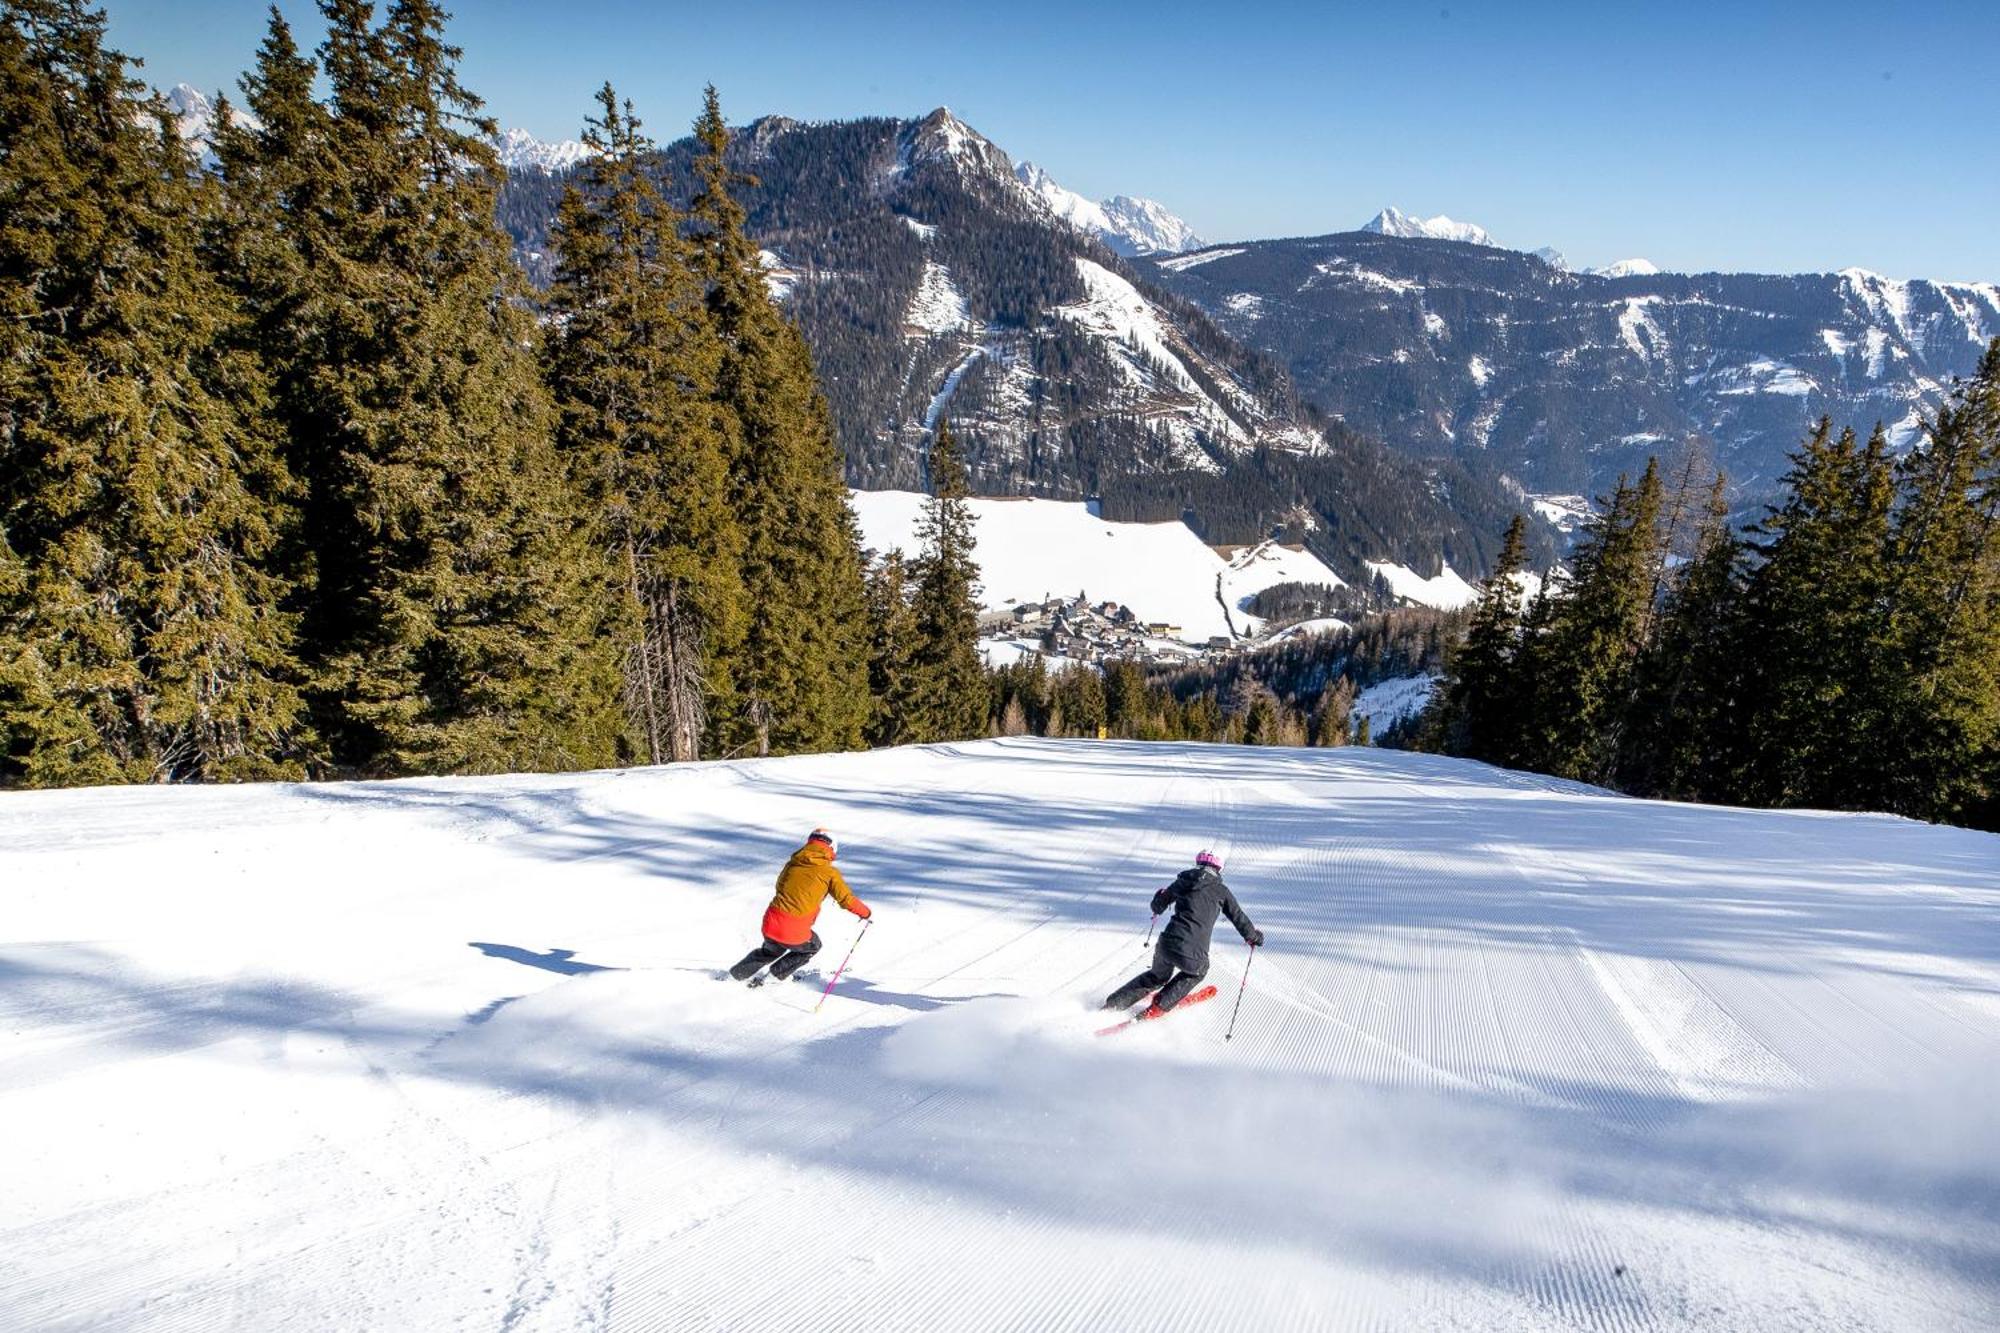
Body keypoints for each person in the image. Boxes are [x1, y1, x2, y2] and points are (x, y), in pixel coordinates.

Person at [1104, 850, 1261, 1015]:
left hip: (1166, 943)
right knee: (1199, 970)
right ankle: (1158, 1007)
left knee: (1157, 976)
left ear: (1198, 864)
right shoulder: (1221, 891)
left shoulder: (1183, 881)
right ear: (1218, 869)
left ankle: (1114, 1004)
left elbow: (1157, 906)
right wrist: (1254, 937)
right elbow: (1238, 917)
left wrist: (1159, 897)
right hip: (1192, 951)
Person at [728, 828, 871, 984]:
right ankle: (773, 977)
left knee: (770, 950)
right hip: (794, 930)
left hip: (771, 921)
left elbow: (780, 885)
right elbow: (846, 899)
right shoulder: (829, 873)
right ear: (832, 848)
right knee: (813, 946)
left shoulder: (792, 863)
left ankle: (735, 976)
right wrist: (866, 913)